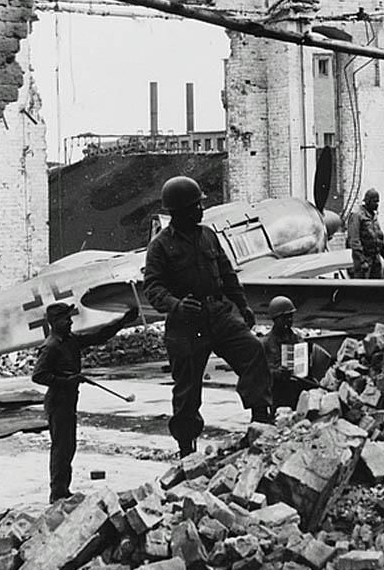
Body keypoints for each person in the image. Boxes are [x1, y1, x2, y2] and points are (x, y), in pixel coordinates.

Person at [142, 175, 272, 457]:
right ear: (181, 211)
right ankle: (186, 449)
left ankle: (260, 420)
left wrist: (243, 305)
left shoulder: (208, 235)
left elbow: (227, 273)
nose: (201, 210)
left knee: (253, 352)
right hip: (185, 324)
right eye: (196, 206)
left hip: (218, 314)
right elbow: (152, 288)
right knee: (187, 391)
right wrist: (176, 305)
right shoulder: (161, 246)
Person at [32, 302, 139, 503]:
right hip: (58, 401)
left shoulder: (69, 340)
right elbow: (38, 376)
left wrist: (122, 322)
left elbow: (97, 337)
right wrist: (67, 381)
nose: (70, 321)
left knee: (68, 446)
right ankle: (57, 494)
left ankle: (63, 490)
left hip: (68, 400)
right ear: (55, 322)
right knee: (61, 448)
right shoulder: (51, 346)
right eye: (66, 318)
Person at [260, 296, 333, 412]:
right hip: (277, 392)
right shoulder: (265, 343)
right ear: (275, 319)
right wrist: (277, 372)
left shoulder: (297, 339)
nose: (289, 320)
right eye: (284, 318)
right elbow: (259, 373)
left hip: (296, 390)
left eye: (290, 317)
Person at [347, 189, 384, 278]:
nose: (377, 204)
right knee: (363, 288)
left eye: (378, 201)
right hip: (364, 260)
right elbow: (354, 241)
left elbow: (379, 239)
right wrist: (362, 261)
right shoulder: (357, 215)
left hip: (375, 259)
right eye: (374, 201)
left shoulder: (374, 217)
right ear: (367, 201)